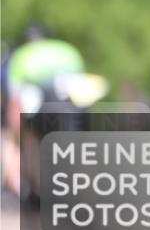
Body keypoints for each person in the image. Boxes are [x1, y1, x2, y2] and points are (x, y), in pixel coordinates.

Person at [2, 25, 88, 195]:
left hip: (44, 108)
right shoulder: (67, 51)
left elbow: (16, 101)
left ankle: (39, 189)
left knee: (32, 141)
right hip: (75, 108)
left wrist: (16, 132)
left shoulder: (22, 56)